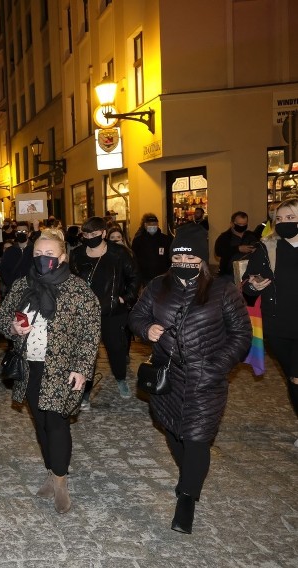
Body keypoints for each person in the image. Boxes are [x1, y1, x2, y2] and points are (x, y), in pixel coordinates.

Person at [130, 223, 250, 534]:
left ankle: (186, 498)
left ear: (202, 261)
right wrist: (147, 329)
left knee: (197, 438)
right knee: (172, 430)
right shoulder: (158, 286)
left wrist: (217, 366)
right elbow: (137, 316)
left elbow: (241, 336)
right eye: (178, 260)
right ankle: (191, 476)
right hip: (167, 377)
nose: (183, 266)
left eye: (191, 261)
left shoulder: (222, 290)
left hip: (205, 377)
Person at [0, 227, 100, 513]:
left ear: (63, 256)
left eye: (49, 254)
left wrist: (81, 369)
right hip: (29, 365)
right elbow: (4, 317)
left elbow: (90, 332)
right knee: (40, 423)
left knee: (56, 423)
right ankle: (50, 470)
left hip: (61, 368)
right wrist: (13, 328)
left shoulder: (78, 289)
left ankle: (61, 480)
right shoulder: (22, 285)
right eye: (38, 254)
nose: (43, 258)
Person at [241, 198, 298, 446]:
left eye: (291, 217)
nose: (285, 222)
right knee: (294, 377)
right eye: (281, 218)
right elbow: (247, 285)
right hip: (278, 326)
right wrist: (253, 285)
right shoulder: (268, 247)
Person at [69, 217, 140, 405]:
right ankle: (84, 388)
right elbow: (71, 281)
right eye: (86, 234)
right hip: (86, 313)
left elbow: (133, 277)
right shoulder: (77, 254)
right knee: (86, 352)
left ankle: (120, 378)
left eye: (94, 234)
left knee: (116, 348)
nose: (90, 237)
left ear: (103, 233)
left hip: (113, 311)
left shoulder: (119, 253)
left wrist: (125, 298)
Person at [213, 211, 259, 280]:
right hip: (229, 275)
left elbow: (260, 247)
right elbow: (218, 252)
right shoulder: (224, 237)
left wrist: (256, 249)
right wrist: (237, 249)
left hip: (249, 274)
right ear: (232, 224)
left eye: (244, 224)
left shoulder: (251, 235)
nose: (242, 226)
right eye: (239, 224)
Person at [131, 213, 173, 286]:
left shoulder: (166, 239)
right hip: (145, 277)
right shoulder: (138, 240)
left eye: (155, 224)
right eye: (150, 224)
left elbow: (170, 257)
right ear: (145, 225)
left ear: (158, 225)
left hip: (162, 276)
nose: (153, 226)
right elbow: (134, 258)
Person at [0, 221, 34, 287]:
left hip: (31, 289)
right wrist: (11, 283)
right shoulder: (9, 251)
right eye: (18, 231)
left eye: (24, 231)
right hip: (13, 288)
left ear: (29, 234)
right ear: (15, 234)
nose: (21, 233)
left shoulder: (35, 250)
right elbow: (3, 269)